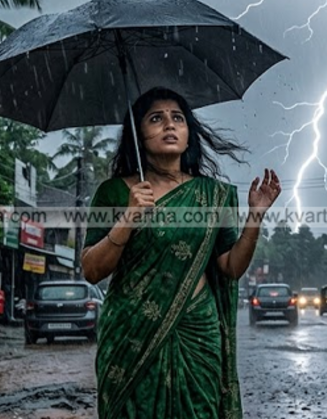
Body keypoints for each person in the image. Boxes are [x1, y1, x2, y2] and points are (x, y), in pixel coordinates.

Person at [80, 87, 282, 419]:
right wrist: (128, 217)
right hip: (132, 335)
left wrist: (255, 215)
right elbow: (91, 270)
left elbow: (230, 267)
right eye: (156, 119)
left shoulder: (212, 196)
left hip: (197, 335)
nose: (169, 126)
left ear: (189, 134)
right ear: (139, 135)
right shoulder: (115, 191)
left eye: (178, 118)